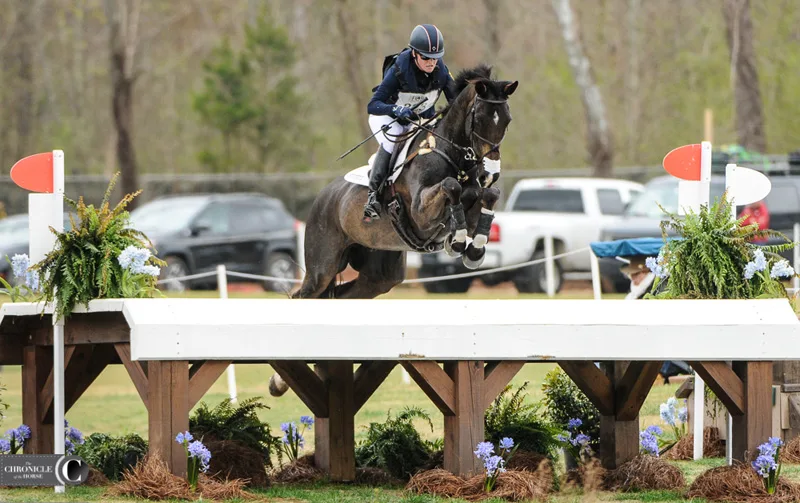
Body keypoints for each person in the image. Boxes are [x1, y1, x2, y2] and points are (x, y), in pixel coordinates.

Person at [363, 24, 457, 222]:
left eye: (435, 57)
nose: (431, 63)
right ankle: (373, 196)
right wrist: (396, 110)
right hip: (388, 117)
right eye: (426, 58)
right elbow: (373, 105)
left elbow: (455, 102)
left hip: (419, 120)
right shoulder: (399, 69)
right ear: (414, 54)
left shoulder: (441, 71)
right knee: (394, 139)